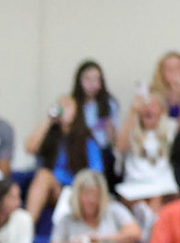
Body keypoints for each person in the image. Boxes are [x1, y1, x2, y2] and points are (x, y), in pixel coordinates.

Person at [24, 60, 120, 228]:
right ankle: (26, 228)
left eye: (68, 105)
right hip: (55, 189)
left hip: (77, 190)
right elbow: (30, 147)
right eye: (61, 105)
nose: (64, 108)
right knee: (43, 176)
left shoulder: (88, 140)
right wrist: (49, 119)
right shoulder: (52, 136)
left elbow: (95, 174)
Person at [114, 89, 180, 219]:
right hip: (136, 185)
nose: (148, 109)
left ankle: (151, 222)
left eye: (153, 105)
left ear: (161, 111)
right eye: (145, 105)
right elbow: (119, 148)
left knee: (158, 198)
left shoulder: (170, 128)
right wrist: (132, 111)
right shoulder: (131, 130)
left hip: (163, 185)